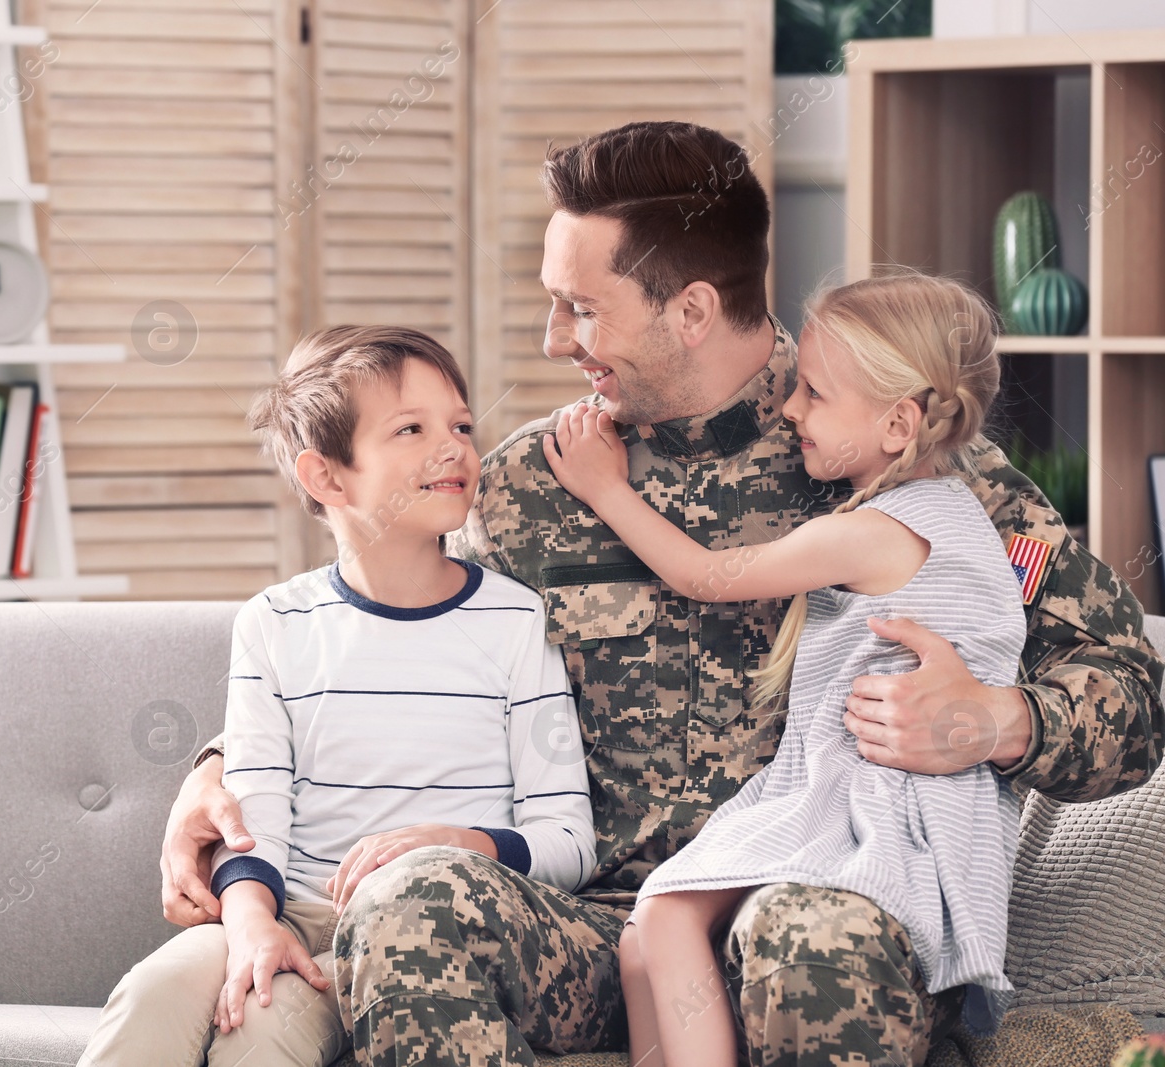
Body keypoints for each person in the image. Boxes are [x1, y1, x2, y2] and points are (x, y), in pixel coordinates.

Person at [162, 121, 1165, 1067]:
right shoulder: (530, 486)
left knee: (801, 933)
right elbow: (388, 630)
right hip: (605, 931)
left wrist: (996, 719)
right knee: (408, 902)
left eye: (583, 306)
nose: (554, 338)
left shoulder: (913, 471)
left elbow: (1132, 694)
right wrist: (219, 769)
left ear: (689, 309)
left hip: (835, 906)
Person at [77, 324, 595, 1067]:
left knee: (257, 1037)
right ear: (327, 477)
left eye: (460, 424)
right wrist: (254, 923)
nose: (453, 446)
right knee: (151, 995)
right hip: (285, 909)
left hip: (415, 937)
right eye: (410, 429)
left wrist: (456, 841)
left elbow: (569, 842)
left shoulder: (517, 621)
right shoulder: (273, 623)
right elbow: (254, 811)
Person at [543, 270, 1026, 1067]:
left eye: (814, 392)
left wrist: (606, 490)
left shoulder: (880, 530)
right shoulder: (948, 512)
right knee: (642, 939)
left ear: (898, 424)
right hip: (871, 790)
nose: (789, 408)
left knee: (661, 921)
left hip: (877, 801)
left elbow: (705, 576)